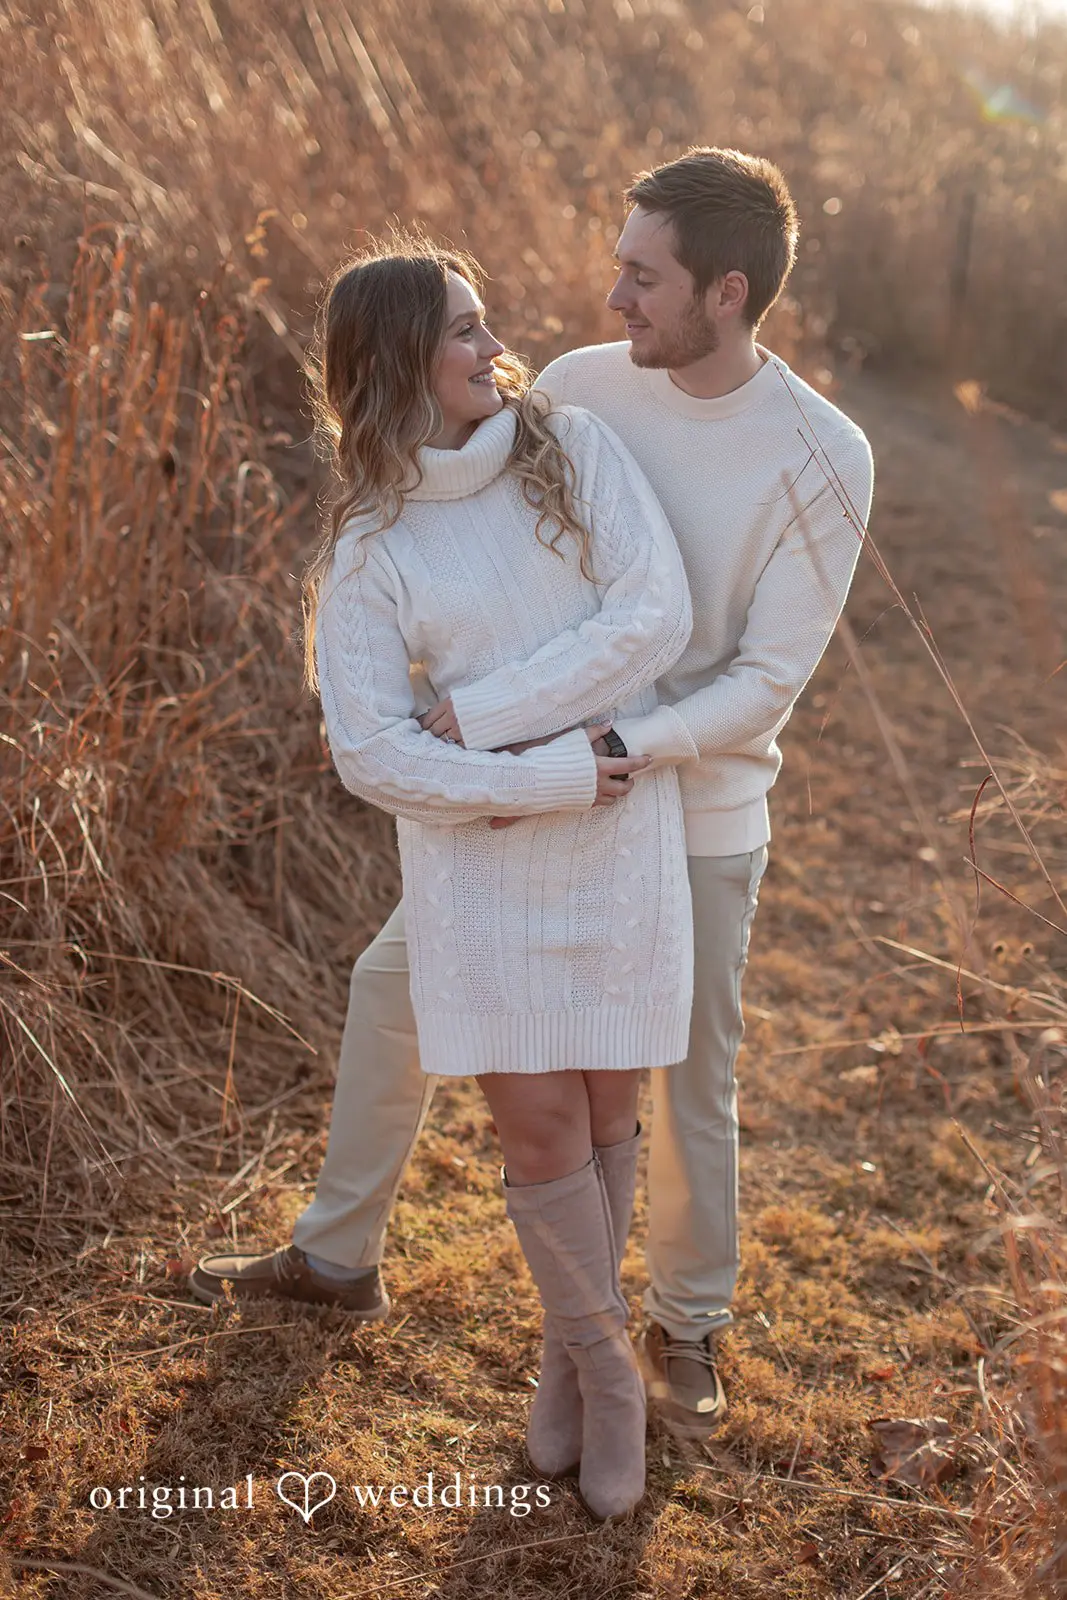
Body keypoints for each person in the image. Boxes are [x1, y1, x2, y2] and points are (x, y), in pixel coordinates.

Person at [190, 148, 875, 1446]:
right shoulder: (573, 390)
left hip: (693, 797)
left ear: (723, 292)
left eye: (639, 274)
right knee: (391, 989)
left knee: (684, 1083)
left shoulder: (818, 453)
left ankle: (682, 1325)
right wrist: (524, 758)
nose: (609, 297)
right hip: (531, 795)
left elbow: (762, 677)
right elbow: (476, 549)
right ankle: (337, 1254)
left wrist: (606, 752)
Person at [205, 235, 695, 1519]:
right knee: (536, 1128)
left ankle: (565, 1365)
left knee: (604, 1112)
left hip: (611, 830)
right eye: (463, 332)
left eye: (486, 324)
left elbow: (652, 619)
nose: (494, 349)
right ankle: (610, 1369)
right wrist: (537, 772)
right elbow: (369, 754)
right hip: (497, 854)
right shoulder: (366, 551)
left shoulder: (568, 450)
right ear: (392, 364)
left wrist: (477, 720)